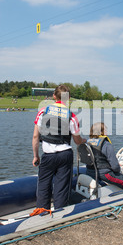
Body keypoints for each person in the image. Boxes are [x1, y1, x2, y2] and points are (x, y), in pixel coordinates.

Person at [31, 85, 86, 216]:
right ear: (68, 98)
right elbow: (77, 141)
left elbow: (35, 137)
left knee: (44, 183)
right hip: (65, 154)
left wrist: (35, 156)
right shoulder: (71, 116)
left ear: (54, 96)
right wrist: (83, 140)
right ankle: (60, 212)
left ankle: (42, 212)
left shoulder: (43, 111)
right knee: (62, 185)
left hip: (48, 155)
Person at [86, 122, 123, 189]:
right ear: (101, 132)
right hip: (104, 174)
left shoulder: (88, 143)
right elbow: (115, 167)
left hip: (90, 172)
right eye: (105, 130)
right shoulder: (106, 144)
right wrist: (118, 172)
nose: (107, 132)